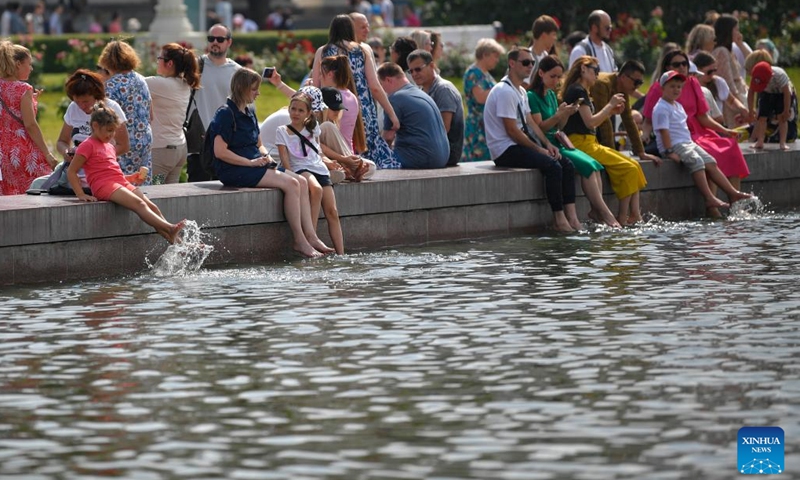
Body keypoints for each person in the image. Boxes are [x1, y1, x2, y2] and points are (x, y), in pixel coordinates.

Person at [210, 69, 333, 258]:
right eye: (254, 90)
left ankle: (311, 236)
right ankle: (300, 240)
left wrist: (265, 157)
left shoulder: (250, 111)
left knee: (300, 181)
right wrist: (250, 163)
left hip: (255, 165)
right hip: (234, 169)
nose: (258, 93)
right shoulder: (226, 113)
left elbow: (258, 144)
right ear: (242, 88)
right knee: (292, 183)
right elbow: (220, 152)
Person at [484, 47, 581, 232]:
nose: (530, 66)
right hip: (505, 150)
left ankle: (573, 218)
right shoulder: (504, 91)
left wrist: (547, 144)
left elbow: (530, 123)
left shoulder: (520, 90)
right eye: (525, 62)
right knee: (553, 166)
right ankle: (559, 219)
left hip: (517, 145)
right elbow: (512, 131)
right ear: (512, 64)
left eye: (532, 63)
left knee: (566, 164)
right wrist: (539, 150)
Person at [67, 103, 186, 244]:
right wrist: (81, 194)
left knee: (152, 207)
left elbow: (111, 170)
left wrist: (130, 178)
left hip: (118, 182)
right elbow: (72, 171)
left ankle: (178, 243)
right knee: (139, 204)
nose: (111, 135)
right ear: (95, 126)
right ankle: (170, 228)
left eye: (113, 131)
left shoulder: (109, 146)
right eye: (108, 130)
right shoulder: (87, 145)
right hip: (103, 185)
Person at [529, 55, 620, 227]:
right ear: (541, 73)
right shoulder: (532, 96)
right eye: (552, 76)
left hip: (558, 140)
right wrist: (558, 115)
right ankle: (606, 215)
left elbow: (559, 126)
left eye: (558, 77)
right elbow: (540, 128)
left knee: (595, 165)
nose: (556, 81)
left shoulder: (551, 95)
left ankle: (598, 211)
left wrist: (565, 115)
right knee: (586, 166)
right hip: (547, 143)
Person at [642, 50, 749, 194]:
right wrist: (644, 135)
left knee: (731, 146)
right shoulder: (658, 88)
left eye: (684, 63)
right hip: (682, 134)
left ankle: (735, 199)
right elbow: (649, 119)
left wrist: (725, 131)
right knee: (710, 153)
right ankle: (712, 207)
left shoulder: (693, 82)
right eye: (677, 64)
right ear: (667, 67)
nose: (682, 67)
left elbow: (703, 117)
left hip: (700, 131)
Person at [561, 55, 648, 226]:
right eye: (595, 71)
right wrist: (610, 106)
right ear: (583, 69)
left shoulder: (583, 90)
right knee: (628, 168)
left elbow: (591, 122)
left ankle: (635, 214)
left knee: (635, 166)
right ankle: (622, 218)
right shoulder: (577, 90)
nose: (597, 74)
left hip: (589, 142)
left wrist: (611, 111)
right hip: (580, 144)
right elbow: (590, 122)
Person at [652, 71, 752, 212]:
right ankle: (709, 198)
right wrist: (669, 152)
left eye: (679, 87)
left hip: (687, 143)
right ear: (662, 88)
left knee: (711, 161)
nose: (676, 90)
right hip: (674, 145)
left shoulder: (678, 106)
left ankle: (732, 193)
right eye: (672, 86)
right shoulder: (661, 108)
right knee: (697, 162)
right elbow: (664, 131)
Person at [312, 15, 401, 169]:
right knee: (365, 150)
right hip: (361, 109)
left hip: (332, 108)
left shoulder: (323, 51)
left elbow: (315, 85)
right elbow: (375, 86)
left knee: (338, 147)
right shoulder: (363, 50)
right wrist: (391, 113)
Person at [276, 92, 344, 255]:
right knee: (316, 189)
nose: (295, 113)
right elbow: (285, 159)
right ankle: (310, 239)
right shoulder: (282, 131)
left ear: (308, 113)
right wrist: (292, 176)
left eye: (300, 110)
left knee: (332, 211)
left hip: (319, 168)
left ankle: (342, 254)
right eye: (293, 109)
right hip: (300, 169)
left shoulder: (313, 129)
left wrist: (328, 162)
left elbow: (317, 151)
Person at [0, 41, 56, 195]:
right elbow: (30, 124)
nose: (31, 68)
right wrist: (47, 154)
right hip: (23, 151)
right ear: (18, 64)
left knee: (7, 196)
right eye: (29, 64)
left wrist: (32, 99)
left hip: (2, 151)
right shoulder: (24, 89)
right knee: (39, 191)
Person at [56, 70, 130, 182]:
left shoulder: (111, 108)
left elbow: (124, 146)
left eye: (85, 101)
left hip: (103, 171)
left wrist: (94, 157)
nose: (81, 106)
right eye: (77, 101)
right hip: (77, 173)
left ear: (96, 95)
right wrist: (66, 152)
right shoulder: (72, 108)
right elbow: (61, 141)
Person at [190, 24, 241, 181]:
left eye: (220, 39)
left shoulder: (238, 72)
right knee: (196, 193)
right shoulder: (195, 67)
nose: (215, 42)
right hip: (199, 144)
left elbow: (244, 109)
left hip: (227, 145)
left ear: (229, 42)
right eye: (211, 38)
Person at [98, 40, 153, 184]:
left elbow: (105, 119)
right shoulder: (141, 80)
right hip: (144, 139)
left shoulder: (110, 86)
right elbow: (150, 114)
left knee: (121, 185)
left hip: (123, 143)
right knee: (143, 183)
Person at [376, 62, 449, 169]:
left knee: (371, 160)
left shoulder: (395, 99)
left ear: (388, 80)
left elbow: (387, 138)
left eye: (381, 85)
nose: (383, 91)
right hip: (442, 158)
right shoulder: (421, 93)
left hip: (421, 158)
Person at [145, 43, 200, 184]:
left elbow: (133, 82)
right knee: (170, 195)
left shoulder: (159, 84)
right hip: (179, 150)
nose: (157, 61)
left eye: (160, 58)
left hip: (162, 152)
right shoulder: (184, 84)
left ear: (169, 63)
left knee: (153, 191)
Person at [590, 60, 661, 163]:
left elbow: (629, 121)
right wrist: (612, 154)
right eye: (636, 82)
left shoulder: (623, 89)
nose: (637, 86)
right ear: (623, 77)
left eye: (640, 83)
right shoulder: (602, 84)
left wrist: (641, 153)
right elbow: (604, 122)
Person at [317, 55, 375, 180]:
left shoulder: (328, 96)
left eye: (321, 73)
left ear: (330, 74)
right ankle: (351, 169)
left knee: (372, 166)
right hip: (342, 153)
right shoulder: (352, 96)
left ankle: (348, 169)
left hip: (337, 152)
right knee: (370, 166)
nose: (319, 77)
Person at [407, 49, 463, 167]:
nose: (414, 74)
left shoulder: (443, 89)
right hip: (432, 150)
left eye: (418, 69)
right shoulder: (422, 91)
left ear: (432, 65)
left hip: (445, 154)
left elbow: (444, 128)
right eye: (411, 71)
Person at [462, 38, 504, 162]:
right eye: (495, 56)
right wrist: (501, 90)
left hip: (486, 124)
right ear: (485, 54)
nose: (497, 60)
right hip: (477, 125)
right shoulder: (473, 73)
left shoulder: (485, 74)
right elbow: (480, 98)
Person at [748, 61, 795, 150]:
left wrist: (786, 109)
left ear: (771, 76)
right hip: (766, 93)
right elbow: (751, 92)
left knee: (782, 118)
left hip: (781, 94)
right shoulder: (756, 76)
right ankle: (760, 141)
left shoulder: (780, 75)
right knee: (762, 117)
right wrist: (751, 110)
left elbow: (787, 93)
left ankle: (782, 143)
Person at [693, 51, 749, 125]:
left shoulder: (718, 82)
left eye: (714, 71)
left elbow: (731, 100)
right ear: (698, 70)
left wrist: (743, 109)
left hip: (717, 124)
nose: (712, 74)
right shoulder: (690, 85)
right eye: (709, 72)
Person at [712, 14, 748, 127]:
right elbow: (727, 81)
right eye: (736, 30)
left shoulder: (728, 51)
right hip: (731, 106)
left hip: (736, 100)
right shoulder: (722, 51)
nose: (739, 33)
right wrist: (739, 104)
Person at [523, 15, 560, 87]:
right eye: (553, 34)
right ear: (544, 35)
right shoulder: (528, 57)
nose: (555, 38)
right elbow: (524, 86)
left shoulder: (545, 55)